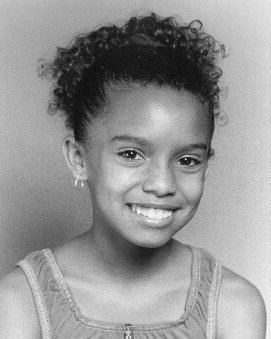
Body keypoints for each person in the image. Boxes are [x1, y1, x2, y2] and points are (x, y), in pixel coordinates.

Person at [0, 12, 266, 338]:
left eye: (187, 160)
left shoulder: (233, 305)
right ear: (78, 158)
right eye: (131, 155)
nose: (163, 185)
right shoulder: (21, 300)